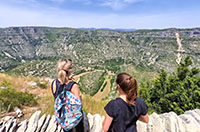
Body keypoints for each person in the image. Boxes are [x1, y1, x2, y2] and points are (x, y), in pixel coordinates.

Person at [51, 59, 84, 132]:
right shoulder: (73, 86)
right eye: (71, 67)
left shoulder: (53, 83)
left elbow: (61, 86)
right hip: (74, 120)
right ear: (69, 71)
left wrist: (67, 79)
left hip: (62, 118)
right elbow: (79, 105)